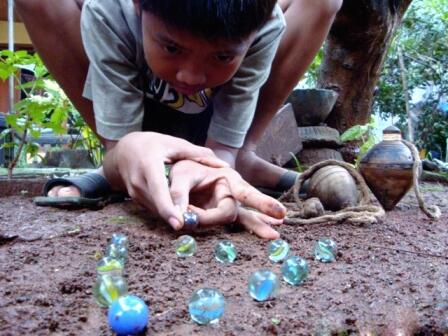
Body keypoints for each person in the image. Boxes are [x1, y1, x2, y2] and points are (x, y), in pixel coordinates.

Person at [15, 0, 342, 239]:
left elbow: (220, 150)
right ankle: (125, 165)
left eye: (222, 56)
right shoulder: (109, 11)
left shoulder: (264, 22)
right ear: (139, 5)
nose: (191, 74)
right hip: (138, 126)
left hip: (217, 130)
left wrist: (221, 163)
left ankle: (244, 156)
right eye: (172, 47)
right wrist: (124, 147)